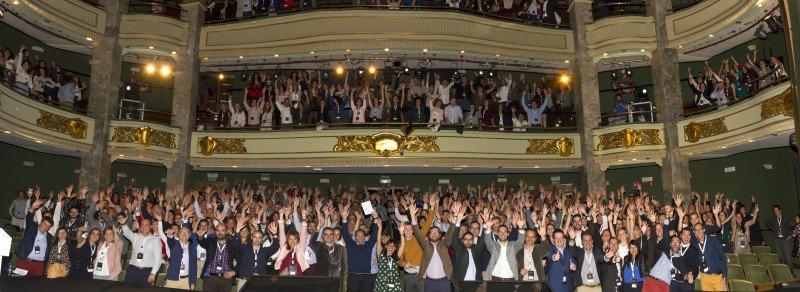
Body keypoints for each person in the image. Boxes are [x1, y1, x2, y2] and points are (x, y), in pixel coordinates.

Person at [409, 195, 456, 292]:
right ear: (428, 235)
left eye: (436, 232)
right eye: (431, 232)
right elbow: (417, 233)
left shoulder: (445, 243)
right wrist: (413, 217)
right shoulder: (425, 245)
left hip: (444, 281)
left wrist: (455, 218)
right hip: (429, 282)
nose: (434, 234)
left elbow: (450, 233)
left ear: (440, 234)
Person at [341, 206, 379, 292]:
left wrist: (376, 219)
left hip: (367, 276)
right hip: (353, 276)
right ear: (355, 237)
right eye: (358, 235)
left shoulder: (369, 245)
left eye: (362, 235)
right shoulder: (351, 244)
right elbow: (345, 233)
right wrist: (344, 218)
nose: (360, 237)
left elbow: (374, 234)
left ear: (364, 236)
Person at [119, 214, 162, 286]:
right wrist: (123, 224)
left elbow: (158, 258)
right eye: (142, 225)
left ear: (150, 227)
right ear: (140, 227)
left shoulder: (156, 239)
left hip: (147, 271)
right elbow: (127, 233)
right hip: (132, 270)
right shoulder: (135, 236)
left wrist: (153, 273)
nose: (144, 227)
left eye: (147, 225)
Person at [484, 209, 526, 281]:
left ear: (508, 233)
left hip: (510, 279)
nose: (502, 234)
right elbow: (487, 240)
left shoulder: (513, 245)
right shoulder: (494, 246)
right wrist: (488, 227)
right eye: (500, 232)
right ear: (498, 233)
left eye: (504, 232)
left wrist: (521, 227)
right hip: (495, 279)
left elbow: (520, 241)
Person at [16, 199, 53, 276]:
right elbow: (29, 218)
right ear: (41, 222)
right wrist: (32, 208)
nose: (46, 227)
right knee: (18, 283)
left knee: (35, 287)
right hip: (24, 262)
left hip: (38, 266)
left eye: (48, 226)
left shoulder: (49, 237)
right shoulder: (31, 228)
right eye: (45, 224)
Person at [198, 223, 238, 292]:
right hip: (210, 278)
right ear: (215, 232)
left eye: (222, 230)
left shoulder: (232, 244)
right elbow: (202, 242)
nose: (220, 232)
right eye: (217, 230)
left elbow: (241, 259)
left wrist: (235, 271)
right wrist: (200, 237)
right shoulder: (210, 241)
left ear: (226, 231)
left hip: (226, 278)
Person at [161, 219, 198, 290]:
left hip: (186, 281)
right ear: (178, 234)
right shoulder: (175, 244)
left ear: (190, 235)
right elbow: (170, 240)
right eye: (182, 232)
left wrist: (193, 282)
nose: (184, 234)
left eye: (186, 232)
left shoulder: (193, 249)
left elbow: (194, 267)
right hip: (173, 279)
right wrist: (169, 234)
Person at [692, 223, 727, 291]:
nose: (698, 231)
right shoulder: (694, 244)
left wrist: (724, 277)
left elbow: (722, 257)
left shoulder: (713, 240)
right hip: (704, 278)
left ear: (704, 230)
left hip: (717, 277)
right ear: (694, 232)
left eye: (700, 229)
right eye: (696, 230)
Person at [375, 220, 403, 292]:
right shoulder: (380, 255)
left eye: (393, 246)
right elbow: (378, 242)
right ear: (386, 246)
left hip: (394, 284)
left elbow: (402, 246)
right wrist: (380, 228)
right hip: (381, 283)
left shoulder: (396, 257)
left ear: (395, 248)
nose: (391, 247)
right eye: (389, 245)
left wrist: (401, 233)